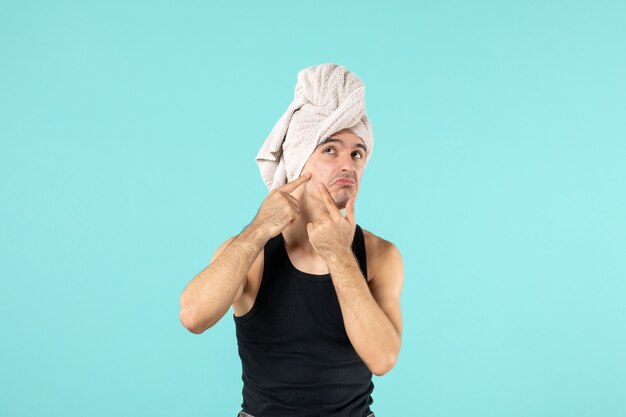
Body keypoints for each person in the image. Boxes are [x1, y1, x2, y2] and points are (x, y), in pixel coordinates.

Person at [179, 64, 404, 417]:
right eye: (330, 149)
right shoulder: (249, 253)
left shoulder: (380, 254)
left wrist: (339, 255)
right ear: (300, 160)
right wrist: (258, 230)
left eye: (357, 153)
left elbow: (383, 358)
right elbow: (193, 316)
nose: (348, 163)